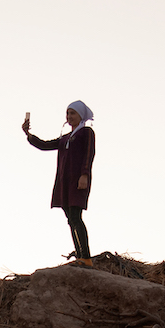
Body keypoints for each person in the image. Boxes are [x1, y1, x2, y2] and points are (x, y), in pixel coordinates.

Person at [22, 100, 96, 265]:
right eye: (68, 113)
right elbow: (44, 145)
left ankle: (86, 257)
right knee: (70, 218)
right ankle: (79, 255)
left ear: (80, 115)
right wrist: (28, 135)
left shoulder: (86, 133)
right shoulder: (65, 138)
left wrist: (84, 175)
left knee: (76, 216)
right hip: (64, 181)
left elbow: (89, 154)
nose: (69, 116)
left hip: (78, 180)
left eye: (73, 113)